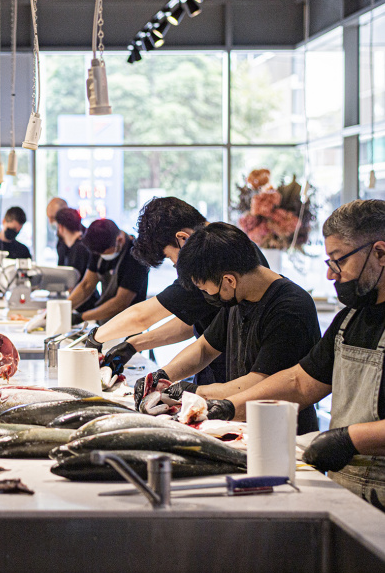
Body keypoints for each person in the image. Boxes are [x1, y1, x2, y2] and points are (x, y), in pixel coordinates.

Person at [207, 200, 385, 509]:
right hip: (347, 495)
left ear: (380, 253)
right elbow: (301, 383)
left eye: (338, 261)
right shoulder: (350, 320)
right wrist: (228, 407)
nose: (331, 275)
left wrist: (350, 439)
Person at [134, 222, 320, 435]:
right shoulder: (238, 297)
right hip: (244, 425)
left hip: (284, 436)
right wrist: (163, 375)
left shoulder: (290, 309)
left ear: (229, 280)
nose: (207, 296)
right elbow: (205, 347)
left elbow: (260, 382)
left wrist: (193, 391)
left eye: (206, 290)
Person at [97, 197, 268, 387]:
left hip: (237, 379)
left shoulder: (210, 259)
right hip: (220, 372)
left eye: (170, 257)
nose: (176, 265)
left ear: (183, 238)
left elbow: (142, 317)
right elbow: (190, 320)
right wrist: (134, 344)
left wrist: (96, 337)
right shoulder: (226, 246)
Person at [67, 218, 149, 325]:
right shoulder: (98, 246)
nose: (101, 256)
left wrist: (81, 317)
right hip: (105, 320)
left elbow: (120, 303)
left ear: (119, 240)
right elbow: (87, 284)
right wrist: (64, 307)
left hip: (130, 323)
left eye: (105, 253)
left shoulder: (137, 256)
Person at [55, 207, 97, 313]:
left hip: (85, 306)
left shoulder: (81, 248)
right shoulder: (66, 247)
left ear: (60, 227)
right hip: (77, 305)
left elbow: (84, 284)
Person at [46, 197, 69, 265]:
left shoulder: (79, 239)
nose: (50, 221)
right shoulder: (60, 238)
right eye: (49, 217)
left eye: (53, 217)